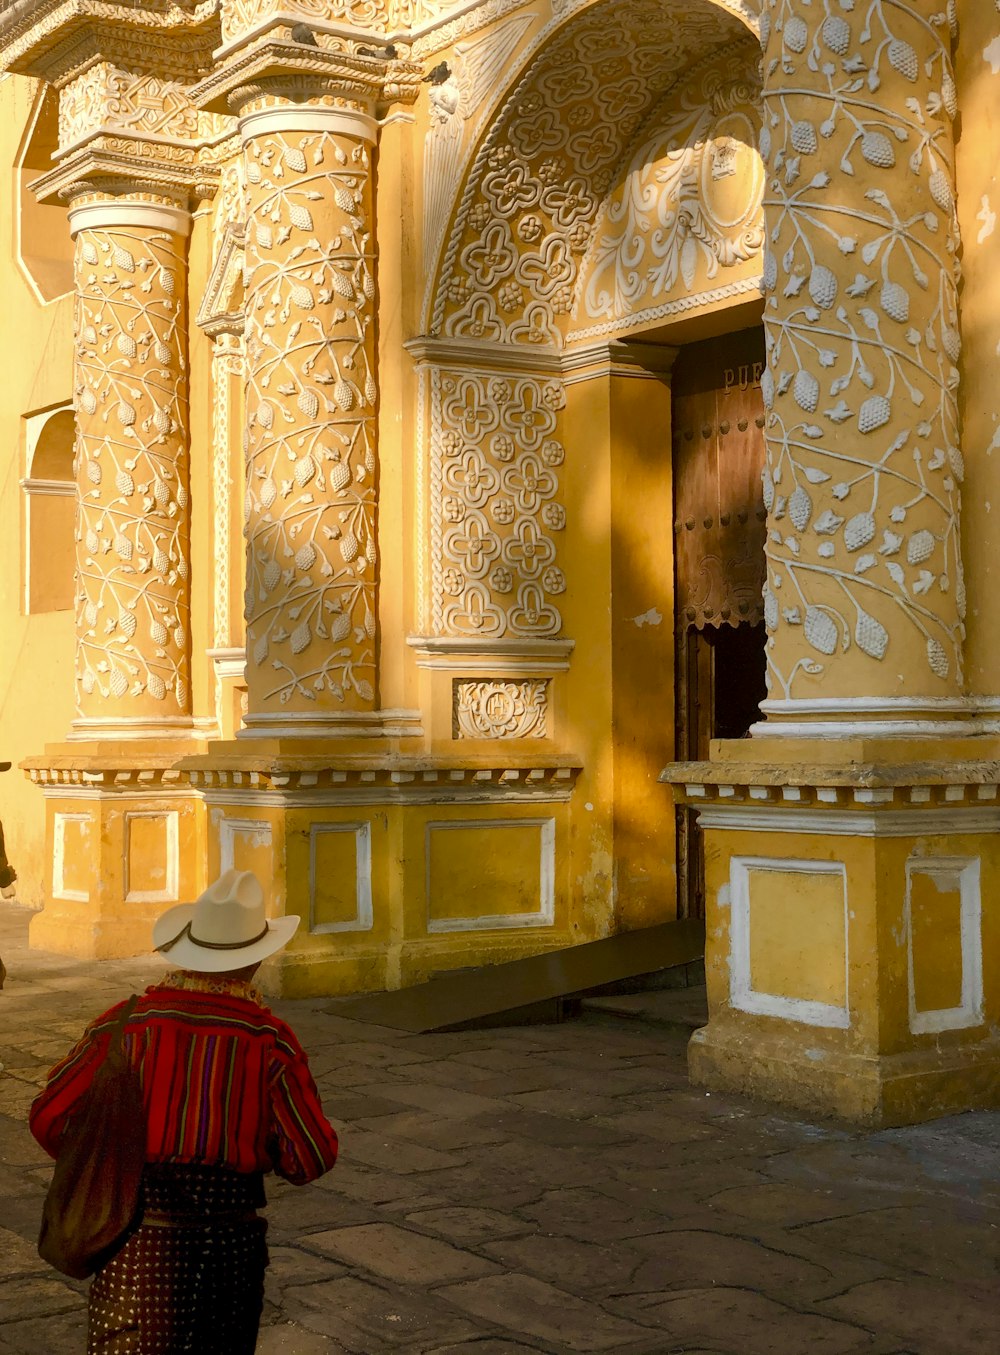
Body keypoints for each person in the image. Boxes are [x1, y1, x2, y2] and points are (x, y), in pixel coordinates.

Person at [30, 869, 339, 1354]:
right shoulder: (269, 1042)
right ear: (255, 961)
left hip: (130, 1243)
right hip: (226, 1252)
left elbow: (50, 1115)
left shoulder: (122, 1026)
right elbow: (310, 1157)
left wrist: (113, 1163)